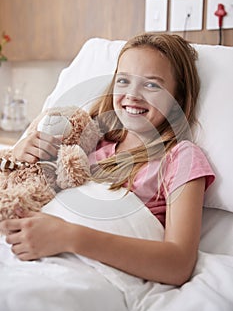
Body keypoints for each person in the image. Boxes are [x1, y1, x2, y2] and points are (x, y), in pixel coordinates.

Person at [0, 33, 215, 286]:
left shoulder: (181, 157)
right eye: (124, 81)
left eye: (151, 85)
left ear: (177, 99)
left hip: (87, 271)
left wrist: (70, 237)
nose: (132, 95)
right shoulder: (89, 142)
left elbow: (178, 264)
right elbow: (32, 187)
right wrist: (17, 156)